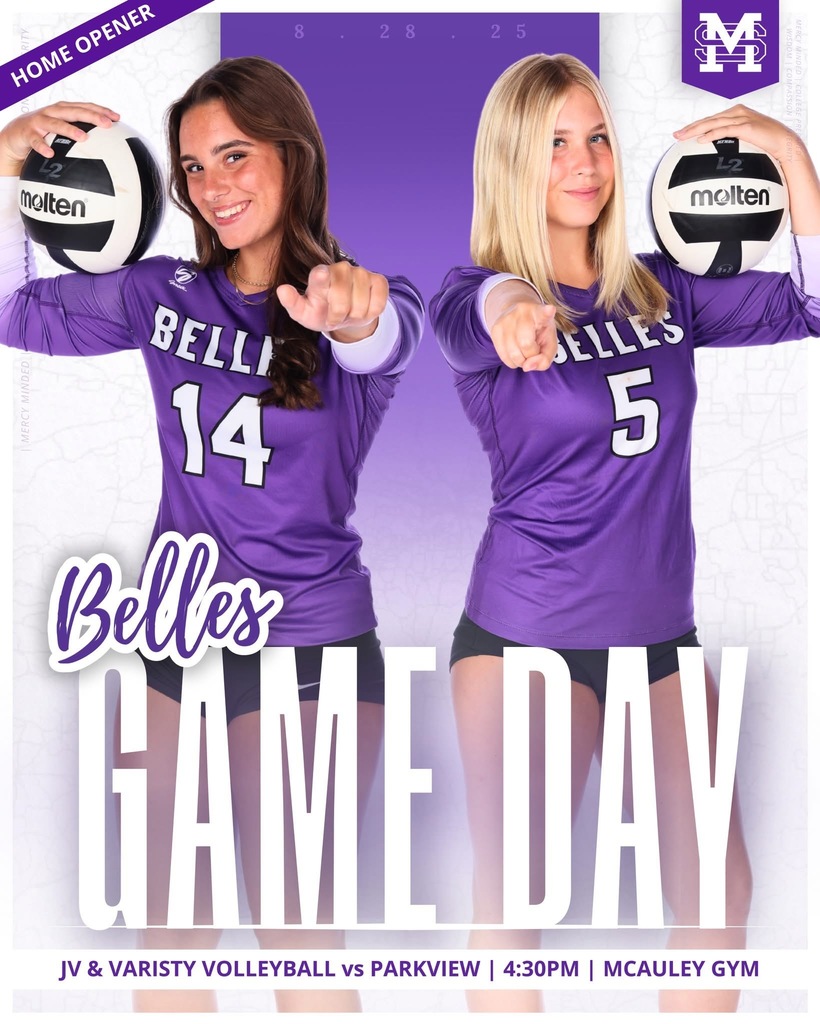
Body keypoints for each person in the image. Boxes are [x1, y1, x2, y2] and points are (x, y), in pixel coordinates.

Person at [0, 57, 423, 1013]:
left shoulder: (362, 295)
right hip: (177, 638)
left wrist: (350, 316)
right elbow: (13, 310)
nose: (214, 185)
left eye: (235, 155)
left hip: (307, 644)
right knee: (170, 938)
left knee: (297, 934)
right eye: (194, 167)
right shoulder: (164, 296)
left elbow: (384, 336)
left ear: (293, 155)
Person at [430, 53, 820, 1013]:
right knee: (518, 905)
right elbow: (479, 313)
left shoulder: (662, 292)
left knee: (720, 902)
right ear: (514, 160)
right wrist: (518, 308)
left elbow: (814, 303)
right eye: (557, 142)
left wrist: (791, 156)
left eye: (598, 136)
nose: (586, 161)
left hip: (659, 639)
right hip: (529, 641)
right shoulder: (469, 291)